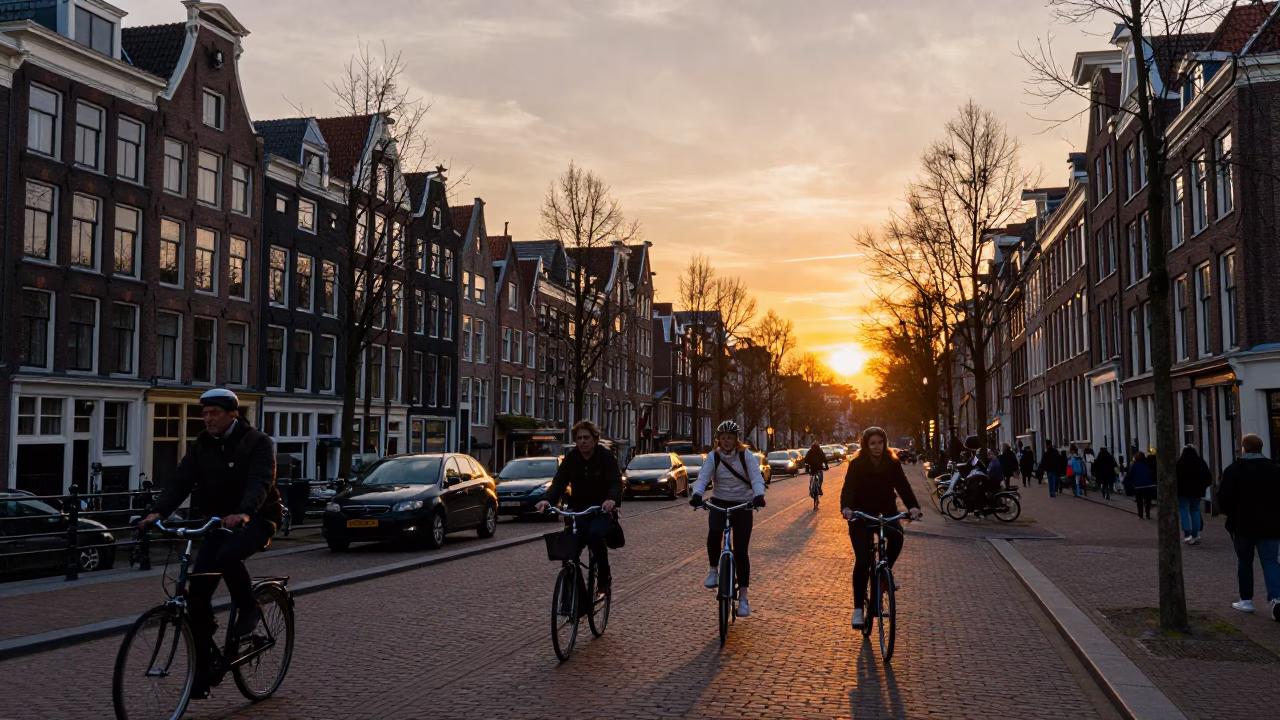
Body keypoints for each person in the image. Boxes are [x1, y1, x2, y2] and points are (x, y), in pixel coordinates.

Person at [138, 389, 282, 699]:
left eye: (214, 412)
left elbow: (261, 481)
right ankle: (204, 669)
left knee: (228, 556)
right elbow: (181, 481)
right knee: (195, 594)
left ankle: (249, 607)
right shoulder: (201, 444)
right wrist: (156, 512)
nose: (207, 418)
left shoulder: (257, 442)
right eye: (204, 413)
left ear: (233, 414)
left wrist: (244, 511)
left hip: (256, 519)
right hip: (217, 522)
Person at [841, 426, 923, 629]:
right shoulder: (857, 463)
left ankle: (887, 573)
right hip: (861, 515)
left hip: (886, 512)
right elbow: (848, 487)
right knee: (862, 561)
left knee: (897, 537)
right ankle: (858, 609)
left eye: (880, 443)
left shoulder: (892, 463)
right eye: (872, 443)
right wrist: (847, 508)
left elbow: (903, 485)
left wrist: (913, 506)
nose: (877, 447)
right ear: (866, 445)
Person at [690, 420, 767, 618]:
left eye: (730, 437)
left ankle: (743, 598)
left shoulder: (745, 455)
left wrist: (758, 496)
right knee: (714, 532)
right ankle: (713, 570)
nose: (726, 441)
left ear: (736, 439)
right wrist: (697, 494)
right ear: (718, 439)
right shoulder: (713, 457)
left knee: (741, 550)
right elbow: (704, 477)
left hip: (743, 504)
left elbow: (756, 476)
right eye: (723, 437)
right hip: (719, 502)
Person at [538, 419, 623, 591]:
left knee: (594, 536)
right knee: (568, 553)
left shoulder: (605, 457)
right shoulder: (571, 459)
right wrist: (548, 499)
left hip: (600, 511)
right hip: (578, 512)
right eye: (579, 438)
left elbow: (615, 482)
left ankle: (604, 576)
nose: (582, 442)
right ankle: (576, 601)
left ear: (595, 439)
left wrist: (611, 500)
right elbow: (559, 482)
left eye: (586, 438)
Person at [1217, 434, 1280, 618]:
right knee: (1271, 562)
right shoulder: (1274, 470)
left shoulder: (1234, 470)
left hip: (1242, 525)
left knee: (1244, 562)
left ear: (1243, 448)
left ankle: (1246, 600)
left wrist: (1232, 515)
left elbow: (1224, 497)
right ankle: (1277, 599)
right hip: (1270, 525)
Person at [1176, 445, 1212, 545]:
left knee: (1184, 511)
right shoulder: (1201, 462)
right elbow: (1208, 478)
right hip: (1196, 493)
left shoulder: (1180, 463)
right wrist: (1202, 487)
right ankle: (1195, 534)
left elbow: (1174, 478)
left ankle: (1187, 533)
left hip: (1182, 492)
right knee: (1195, 511)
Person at [1127, 450, 1156, 519]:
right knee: (1148, 500)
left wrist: (1130, 483)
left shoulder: (1134, 465)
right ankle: (1147, 513)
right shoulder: (1148, 464)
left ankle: (1140, 514)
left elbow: (1131, 475)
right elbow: (1152, 473)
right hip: (1148, 485)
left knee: (1139, 500)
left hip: (1138, 486)